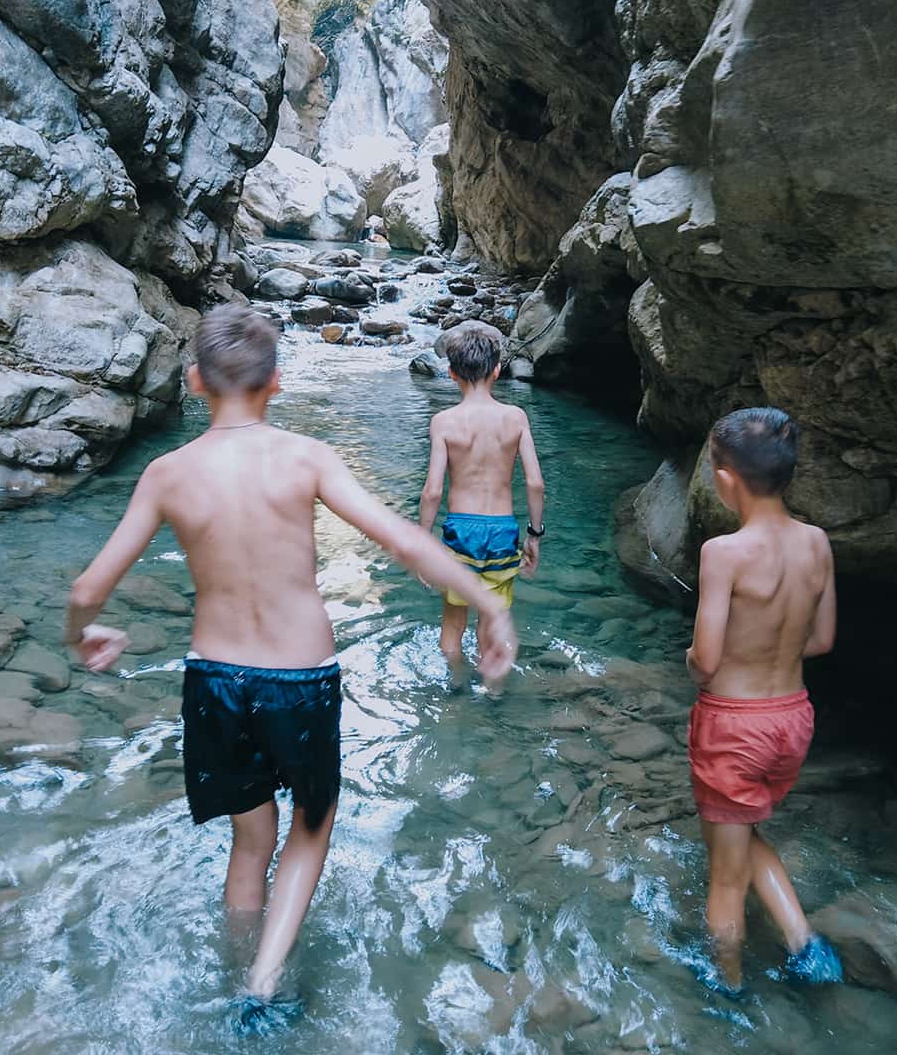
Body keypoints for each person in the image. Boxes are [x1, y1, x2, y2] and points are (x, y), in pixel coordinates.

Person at [64, 304, 517, 1027]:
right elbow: (403, 541)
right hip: (300, 680)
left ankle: (235, 961)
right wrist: (488, 607)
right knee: (313, 821)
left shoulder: (167, 471)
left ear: (193, 382)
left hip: (212, 678)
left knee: (250, 837)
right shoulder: (306, 456)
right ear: (277, 381)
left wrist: (84, 635)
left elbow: (87, 590)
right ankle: (265, 980)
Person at [684, 406, 842, 995]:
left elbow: (705, 658)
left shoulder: (723, 553)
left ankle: (727, 993)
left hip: (734, 728)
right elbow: (822, 640)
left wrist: (695, 665)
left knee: (724, 874)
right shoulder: (818, 543)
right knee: (744, 830)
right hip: (792, 721)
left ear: (725, 479)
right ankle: (804, 944)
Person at [416, 322, 545, 687]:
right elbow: (535, 482)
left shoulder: (443, 422)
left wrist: (422, 542)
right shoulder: (516, 418)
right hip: (503, 530)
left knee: (453, 623)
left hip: (461, 531)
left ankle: (455, 689)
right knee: (492, 620)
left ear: (452, 372)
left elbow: (432, 492)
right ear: (498, 370)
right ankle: (491, 693)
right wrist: (534, 535)